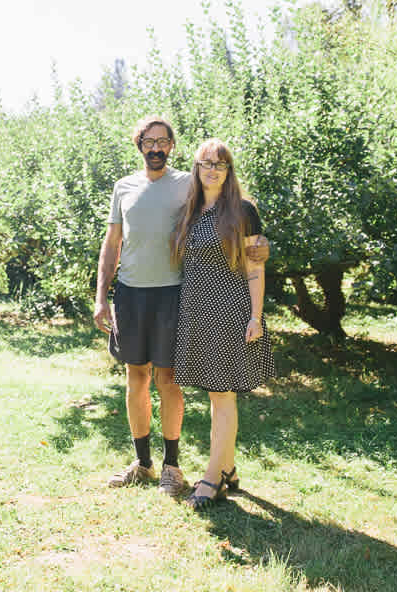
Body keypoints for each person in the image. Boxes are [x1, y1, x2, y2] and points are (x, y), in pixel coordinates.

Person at [94, 117, 267, 495]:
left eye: (163, 141)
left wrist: (261, 246)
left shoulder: (185, 184)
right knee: (135, 378)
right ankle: (143, 462)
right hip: (131, 294)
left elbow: (232, 210)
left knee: (169, 380)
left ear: (172, 147)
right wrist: (100, 295)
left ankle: (173, 467)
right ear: (138, 144)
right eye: (148, 141)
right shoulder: (124, 187)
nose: (155, 147)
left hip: (174, 295)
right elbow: (112, 243)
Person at [171, 138, 274, 510]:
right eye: (205, 163)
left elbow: (255, 267)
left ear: (228, 172)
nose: (212, 170)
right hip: (197, 313)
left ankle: (212, 479)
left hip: (230, 314)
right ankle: (228, 468)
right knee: (215, 396)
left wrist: (256, 317)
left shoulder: (243, 210)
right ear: (196, 169)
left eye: (220, 164)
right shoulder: (191, 210)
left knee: (221, 395)